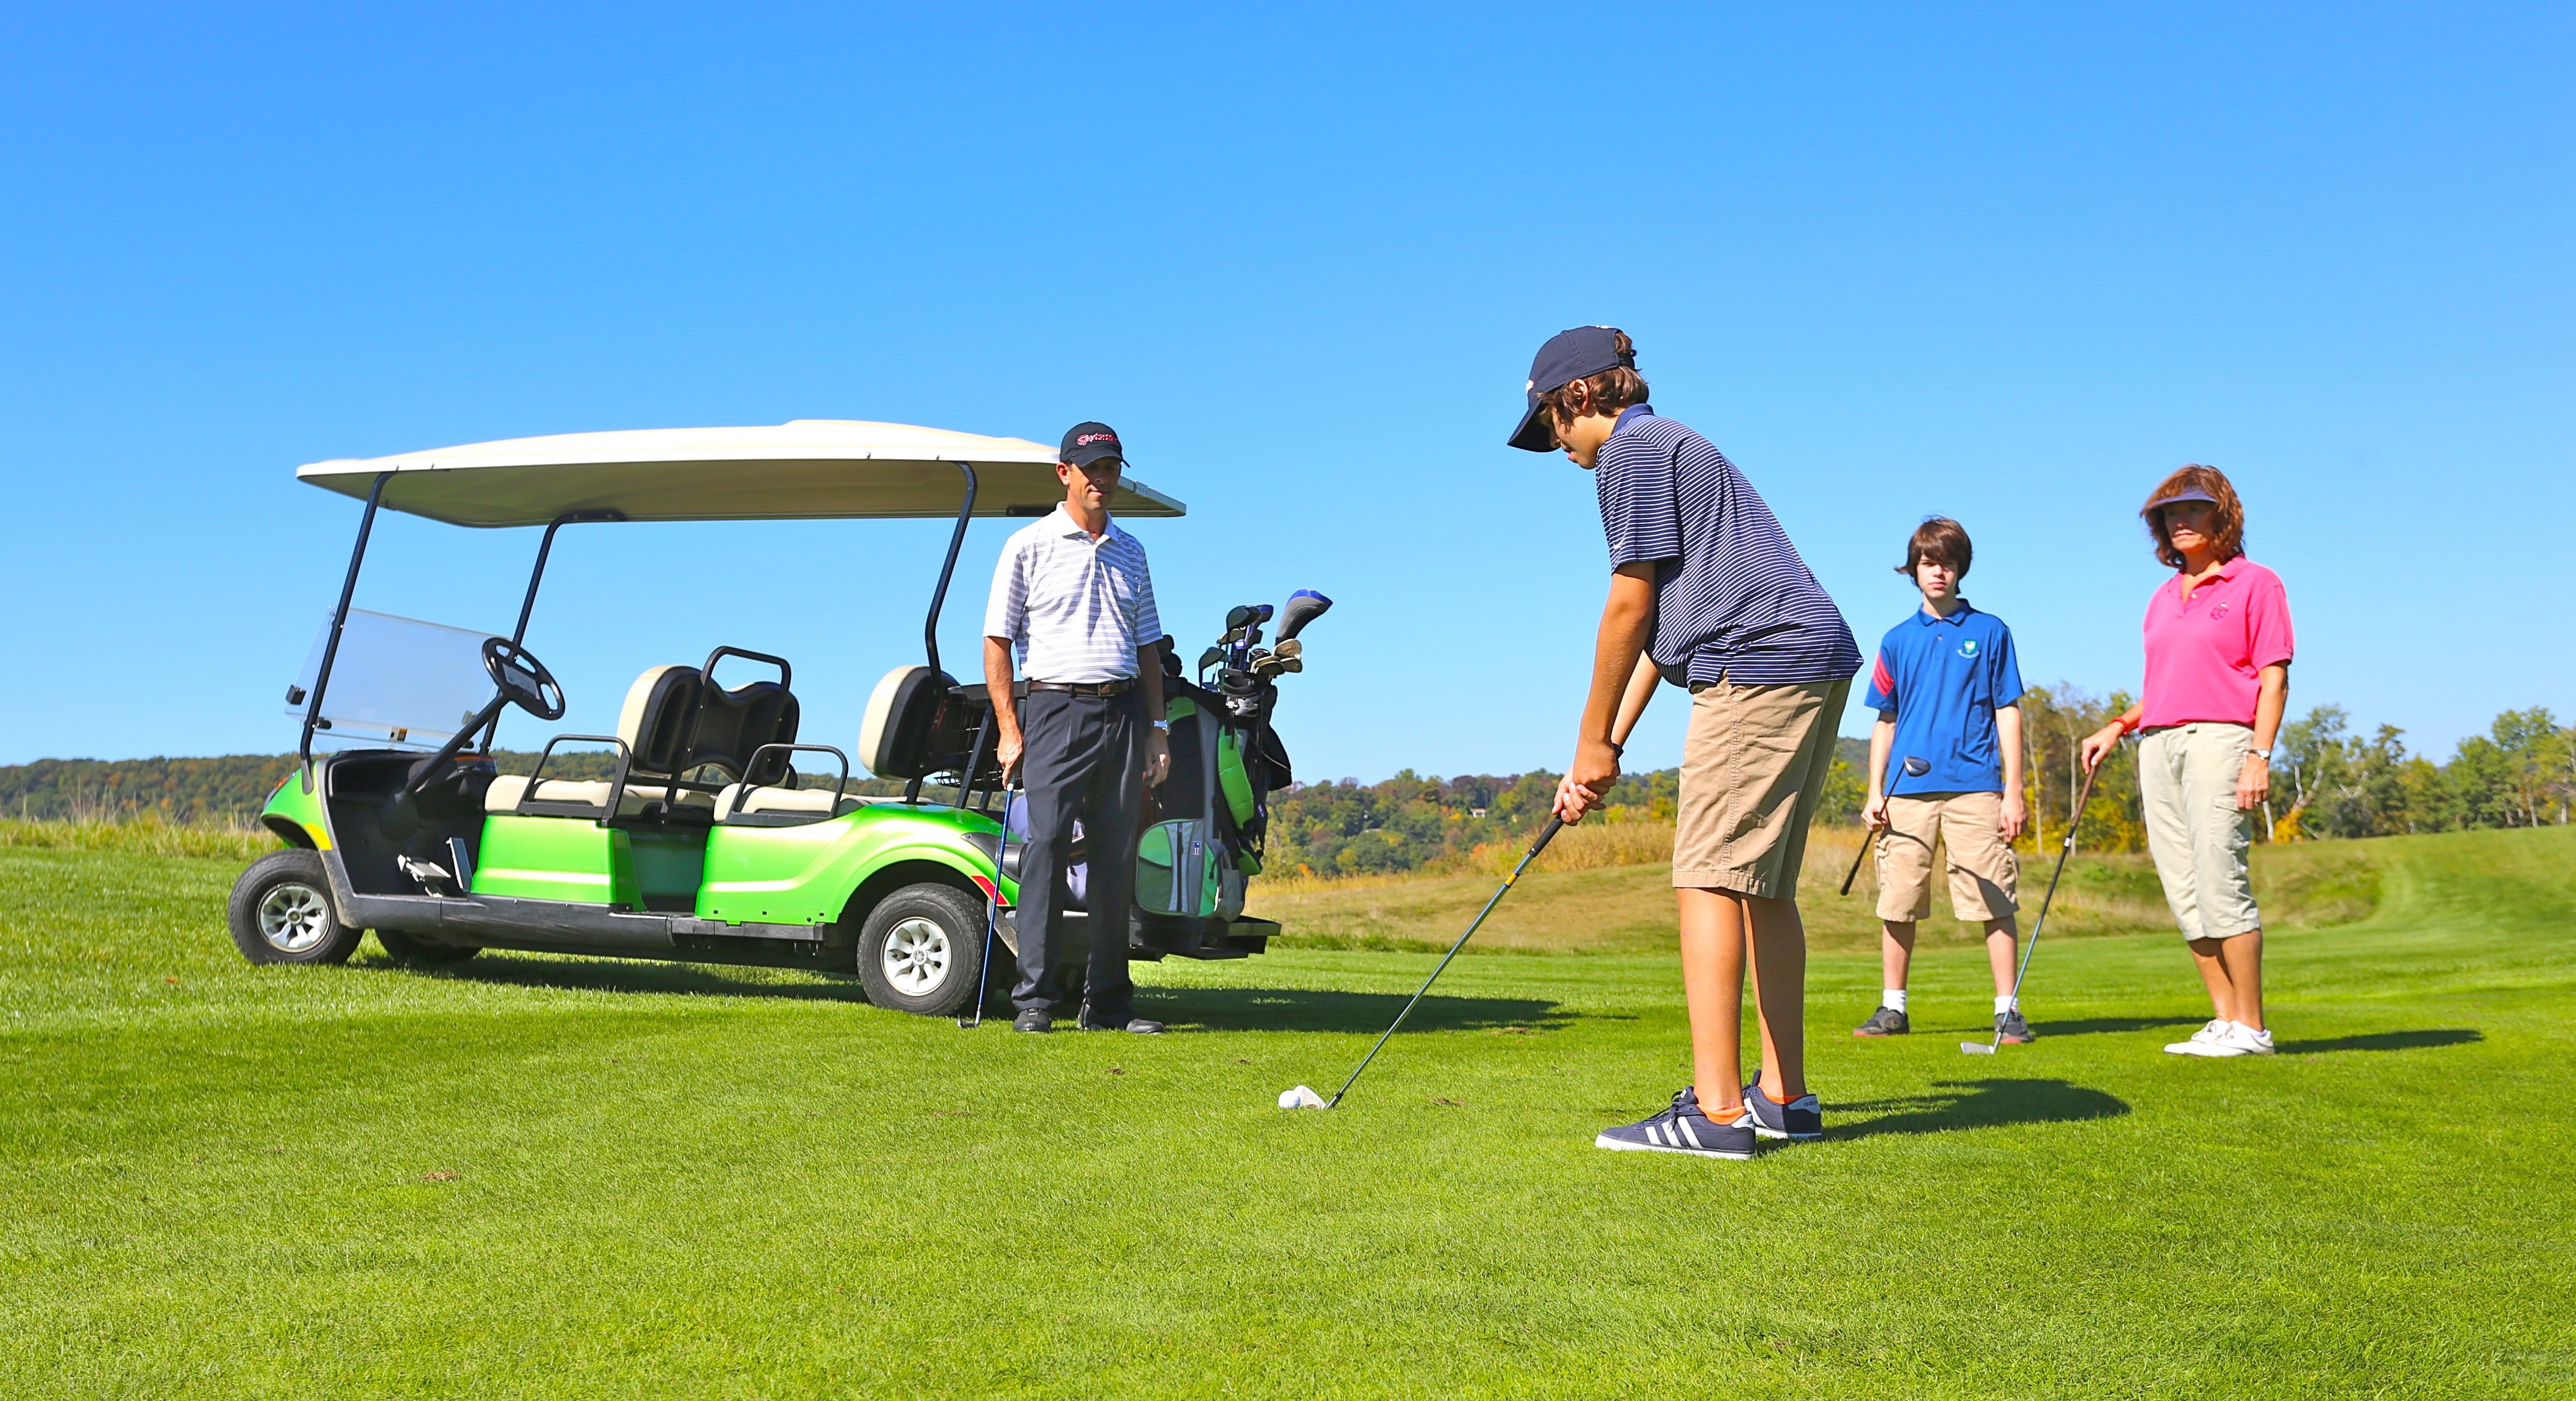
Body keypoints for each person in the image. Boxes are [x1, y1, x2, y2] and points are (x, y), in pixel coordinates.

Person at [1515, 326, 1861, 1159]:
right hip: (1807, 656)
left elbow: (1628, 607)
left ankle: (1717, 1113)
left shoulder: (1633, 453)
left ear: (1581, 397)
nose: (1557, 448)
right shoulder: (1673, 442)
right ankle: (1782, 1097)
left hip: (1756, 662)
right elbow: (1661, 639)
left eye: (1552, 427)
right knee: (1762, 885)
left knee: (1707, 876)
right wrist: (1606, 748)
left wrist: (1588, 738)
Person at [2078, 465, 2292, 1057]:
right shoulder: (2162, 598)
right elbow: (2170, 683)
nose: (2179, 521)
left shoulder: (2256, 583)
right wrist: (2119, 725)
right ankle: (2224, 1020)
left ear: (2222, 516)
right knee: (2184, 887)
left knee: (2222, 878)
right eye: (2169, 514)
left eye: (2193, 510)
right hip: (2159, 744)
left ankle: (2252, 1026)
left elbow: (2273, 677)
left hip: (2221, 740)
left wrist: (2259, 756)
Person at [982, 421, 1173, 1035]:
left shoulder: (1133, 551)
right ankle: (1034, 1001)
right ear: (1065, 473)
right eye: (1090, 469)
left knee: (1117, 858)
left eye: (1110, 469)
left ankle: (1109, 1006)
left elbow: (1146, 646)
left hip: (1122, 713)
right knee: (1047, 851)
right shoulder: (1028, 545)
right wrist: (1010, 728)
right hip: (1054, 709)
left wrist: (1158, 726)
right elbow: (997, 640)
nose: (1101, 480)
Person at [1853, 518, 2032, 1044]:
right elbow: (1884, 720)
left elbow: (2009, 711)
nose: (1939, 572)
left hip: (1977, 788)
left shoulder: (1991, 632)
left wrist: (2013, 791)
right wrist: (1873, 792)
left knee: (1994, 898)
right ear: (1915, 569)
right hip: (1905, 795)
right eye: (1930, 563)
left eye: (1948, 563)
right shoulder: (1896, 640)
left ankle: (2007, 1011)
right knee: (1899, 900)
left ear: (1961, 570)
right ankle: (1893, 1009)